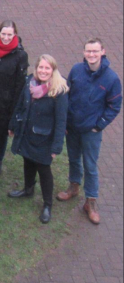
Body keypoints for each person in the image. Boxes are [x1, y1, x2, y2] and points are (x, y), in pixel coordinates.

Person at [57, 38, 122, 224]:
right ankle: (74, 187)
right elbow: (67, 94)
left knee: (91, 166)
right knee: (73, 159)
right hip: (73, 128)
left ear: (103, 52)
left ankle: (91, 201)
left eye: (95, 51)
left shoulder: (111, 79)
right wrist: (66, 122)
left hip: (91, 132)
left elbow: (114, 106)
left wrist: (98, 125)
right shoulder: (77, 70)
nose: (91, 55)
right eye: (88, 51)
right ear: (84, 52)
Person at [7, 55, 69, 224]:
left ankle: (47, 205)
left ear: (53, 70)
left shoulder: (59, 90)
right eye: (40, 67)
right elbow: (20, 104)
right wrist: (13, 125)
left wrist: (56, 147)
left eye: (47, 68)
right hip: (28, 134)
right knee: (27, 161)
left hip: (44, 140)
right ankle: (28, 190)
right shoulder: (30, 82)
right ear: (36, 69)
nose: (43, 71)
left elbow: (61, 121)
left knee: (43, 170)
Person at [0, 21, 29, 178]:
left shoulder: (20, 55)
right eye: (3, 34)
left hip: (6, 101)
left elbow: (20, 84)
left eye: (10, 34)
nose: (6, 37)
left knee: (2, 133)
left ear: (15, 34)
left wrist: (15, 106)